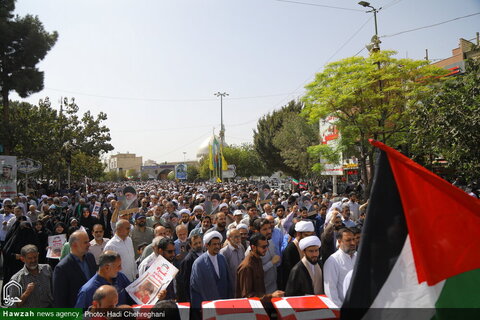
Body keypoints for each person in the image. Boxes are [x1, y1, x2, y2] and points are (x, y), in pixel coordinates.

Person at [236, 233, 284, 306]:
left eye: (267, 246)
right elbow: (247, 296)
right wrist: (271, 296)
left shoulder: (258, 259)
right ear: (253, 247)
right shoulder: (247, 267)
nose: (266, 249)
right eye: (263, 247)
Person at [53, 230, 97, 307]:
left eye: (88, 241)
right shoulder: (62, 268)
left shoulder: (90, 257)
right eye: (85, 242)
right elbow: (60, 299)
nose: (89, 244)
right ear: (74, 245)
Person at [190, 231, 231, 310]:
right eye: (214, 244)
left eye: (218, 244)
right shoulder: (199, 263)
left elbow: (228, 281)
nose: (217, 246)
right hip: (208, 306)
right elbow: (195, 289)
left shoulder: (222, 258)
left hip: (224, 304)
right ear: (207, 245)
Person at [323, 228, 357, 307]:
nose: (353, 243)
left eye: (353, 239)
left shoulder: (358, 256)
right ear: (339, 241)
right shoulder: (332, 261)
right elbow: (330, 292)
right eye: (348, 240)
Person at [245, 218, 280, 294]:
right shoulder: (252, 251)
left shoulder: (270, 242)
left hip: (274, 287)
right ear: (256, 232)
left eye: (269, 228)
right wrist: (271, 263)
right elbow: (254, 273)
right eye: (264, 229)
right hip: (262, 292)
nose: (269, 231)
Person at [280, 220, 315, 290]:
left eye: (310, 235)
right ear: (298, 234)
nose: (308, 238)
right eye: (306, 235)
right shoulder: (290, 249)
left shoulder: (311, 246)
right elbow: (288, 274)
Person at [176, 234, 203, 303]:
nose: (198, 245)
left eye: (200, 242)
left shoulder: (205, 254)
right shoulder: (188, 260)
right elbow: (185, 281)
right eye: (195, 243)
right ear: (191, 245)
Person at [219, 228, 245, 296]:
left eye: (239, 236)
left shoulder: (241, 247)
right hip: (231, 286)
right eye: (236, 237)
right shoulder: (224, 252)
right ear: (228, 239)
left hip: (242, 284)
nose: (239, 238)